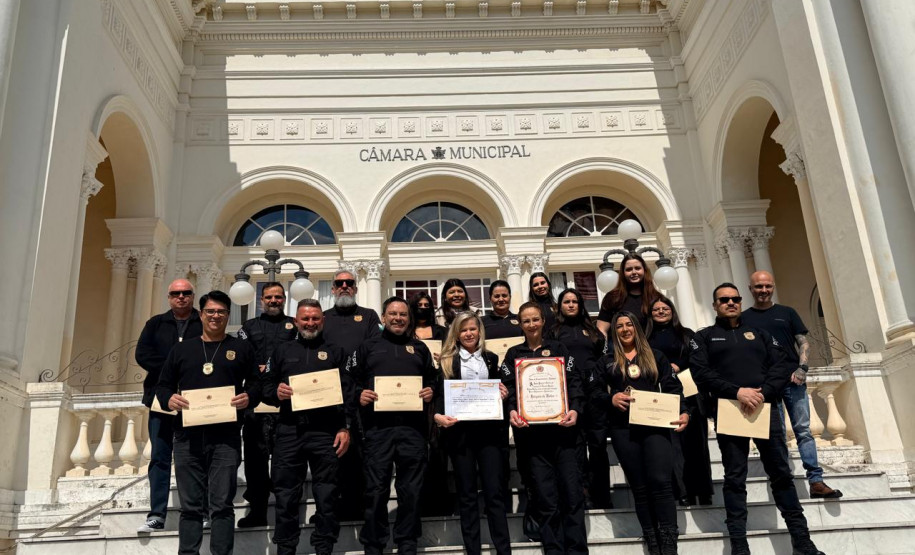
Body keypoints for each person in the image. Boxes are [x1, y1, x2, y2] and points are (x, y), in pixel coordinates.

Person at [690, 283, 824, 555]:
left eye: (735, 299)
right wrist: (737, 392)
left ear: (740, 302)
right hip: (729, 409)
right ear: (715, 305)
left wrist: (762, 393)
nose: (730, 303)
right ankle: (739, 546)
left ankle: (802, 542)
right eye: (724, 300)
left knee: (781, 474)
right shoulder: (704, 337)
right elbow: (700, 373)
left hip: (764, 409)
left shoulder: (761, 334)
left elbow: (781, 366)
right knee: (735, 478)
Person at [156, 291, 260, 555]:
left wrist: (250, 396)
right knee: (190, 507)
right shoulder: (182, 350)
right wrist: (169, 399)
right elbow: (163, 386)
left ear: (228, 315)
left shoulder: (241, 348)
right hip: (187, 439)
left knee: (222, 505)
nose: (216, 316)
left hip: (226, 438)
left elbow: (257, 383)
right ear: (201, 315)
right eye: (210, 311)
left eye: (221, 312)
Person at [260, 299, 354, 555]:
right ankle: (286, 549)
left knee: (327, 495)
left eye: (315, 318)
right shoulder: (281, 351)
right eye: (305, 319)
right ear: (296, 321)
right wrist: (276, 392)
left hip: (326, 432)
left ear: (323, 321)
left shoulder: (336, 352)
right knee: (285, 495)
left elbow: (348, 393)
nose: (310, 323)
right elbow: (265, 386)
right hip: (290, 430)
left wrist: (345, 427)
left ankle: (324, 547)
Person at [348, 296, 439, 555]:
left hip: (413, 430)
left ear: (409, 319)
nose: (398, 318)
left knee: (411, 489)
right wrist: (359, 394)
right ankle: (374, 543)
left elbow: (433, 378)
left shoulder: (419, 348)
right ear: (383, 317)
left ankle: (407, 541)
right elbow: (347, 379)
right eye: (393, 314)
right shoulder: (367, 347)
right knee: (376, 489)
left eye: (403, 315)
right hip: (378, 429)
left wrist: (431, 390)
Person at [592, 311, 688, 555]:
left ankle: (669, 543)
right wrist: (611, 398)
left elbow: (673, 386)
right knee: (640, 487)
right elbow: (593, 392)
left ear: (637, 328)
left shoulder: (655, 356)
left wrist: (684, 411)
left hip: (655, 426)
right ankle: (652, 540)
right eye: (619, 326)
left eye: (629, 325)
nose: (625, 329)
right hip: (623, 429)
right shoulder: (606, 361)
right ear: (614, 332)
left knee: (661, 482)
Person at [741, 271, 842, 500]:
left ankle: (816, 481)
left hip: (792, 380)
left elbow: (803, 343)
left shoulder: (787, 313)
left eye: (768, 286)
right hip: (765, 386)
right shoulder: (744, 318)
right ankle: (782, 480)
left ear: (773, 287)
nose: (764, 290)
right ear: (750, 289)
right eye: (759, 287)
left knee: (803, 431)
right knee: (774, 435)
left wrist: (802, 368)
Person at [502, 301, 588, 555]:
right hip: (532, 439)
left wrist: (575, 409)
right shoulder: (513, 354)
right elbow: (507, 388)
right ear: (520, 324)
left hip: (564, 435)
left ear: (543, 321)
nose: (531, 324)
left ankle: (577, 551)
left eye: (535, 319)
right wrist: (512, 410)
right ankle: (553, 550)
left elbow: (574, 381)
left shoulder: (559, 348)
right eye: (526, 321)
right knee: (545, 498)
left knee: (572, 496)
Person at [433, 311, 512, 555]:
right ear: (456, 334)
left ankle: (503, 550)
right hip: (460, 436)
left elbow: (498, 389)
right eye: (464, 330)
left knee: (494, 493)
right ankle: (473, 551)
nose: (469, 333)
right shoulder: (447, 360)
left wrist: (502, 394)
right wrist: (437, 416)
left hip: (489, 434)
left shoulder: (491, 358)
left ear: (480, 331)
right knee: (467, 496)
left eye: (473, 329)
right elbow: (438, 395)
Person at [135, 279, 202, 533]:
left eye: (186, 293)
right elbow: (142, 354)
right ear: (169, 297)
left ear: (193, 295)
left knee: (198, 456)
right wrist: (174, 367)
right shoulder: (155, 323)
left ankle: (200, 510)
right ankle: (157, 514)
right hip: (160, 398)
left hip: (195, 398)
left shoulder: (203, 321)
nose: (181, 297)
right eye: (176, 293)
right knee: (160, 457)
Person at [236, 282, 297, 527]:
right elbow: (240, 356)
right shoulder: (249, 327)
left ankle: (286, 515)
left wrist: (272, 369)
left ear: (284, 299)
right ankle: (257, 511)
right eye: (269, 297)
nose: (274, 301)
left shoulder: (294, 325)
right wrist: (258, 368)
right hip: (255, 406)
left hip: (285, 404)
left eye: (278, 297)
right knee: (255, 463)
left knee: (287, 464)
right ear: (262, 300)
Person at [322, 269, 381, 522]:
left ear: (355, 288)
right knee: (335, 454)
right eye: (339, 283)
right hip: (331, 396)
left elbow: (376, 351)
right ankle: (335, 508)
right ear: (333, 288)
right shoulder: (322, 318)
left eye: (349, 283)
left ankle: (360, 507)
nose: (344, 286)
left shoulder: (369, 316)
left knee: (362, 454)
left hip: (363, 396)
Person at [648, 296, 713, 507]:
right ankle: (682, 492)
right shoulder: (645, 337)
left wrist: (679, 366)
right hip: (662, 395)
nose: (661, 311)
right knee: (674, 447)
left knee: (697, 445)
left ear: (672, 310)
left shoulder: (687, 334)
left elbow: (699, 358)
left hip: (691, 395)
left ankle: (703, 491)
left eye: (665, 308)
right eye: (656, 309)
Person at [550, 288, 612, 509]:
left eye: (574, 301)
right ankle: (581, 493)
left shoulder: (593, 330)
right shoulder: (553, 332)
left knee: (597, 445)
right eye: (566, 301)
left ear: (580, 305)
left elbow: (604, 359)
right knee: (575, 446)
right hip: (568, 393)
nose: (571, 305)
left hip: (594, 392)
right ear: (560, 306)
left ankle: (602, 495)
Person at [410, 291, 453, 517]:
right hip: (412, 394)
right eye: (419, 304)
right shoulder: (407, 332)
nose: (423, 308)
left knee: (438, 449)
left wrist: (444, 359)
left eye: (427, 305)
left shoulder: (442, 332)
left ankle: (440, 501)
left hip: (438, 393)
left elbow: (454, 358)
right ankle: (418, 503)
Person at [596, 253, 662, 334]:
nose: (634, 272)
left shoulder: (656, 297)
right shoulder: (612, 297)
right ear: (623, 273)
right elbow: (601, 329)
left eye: (637, 268)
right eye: (629, 269)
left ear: (644, 270)